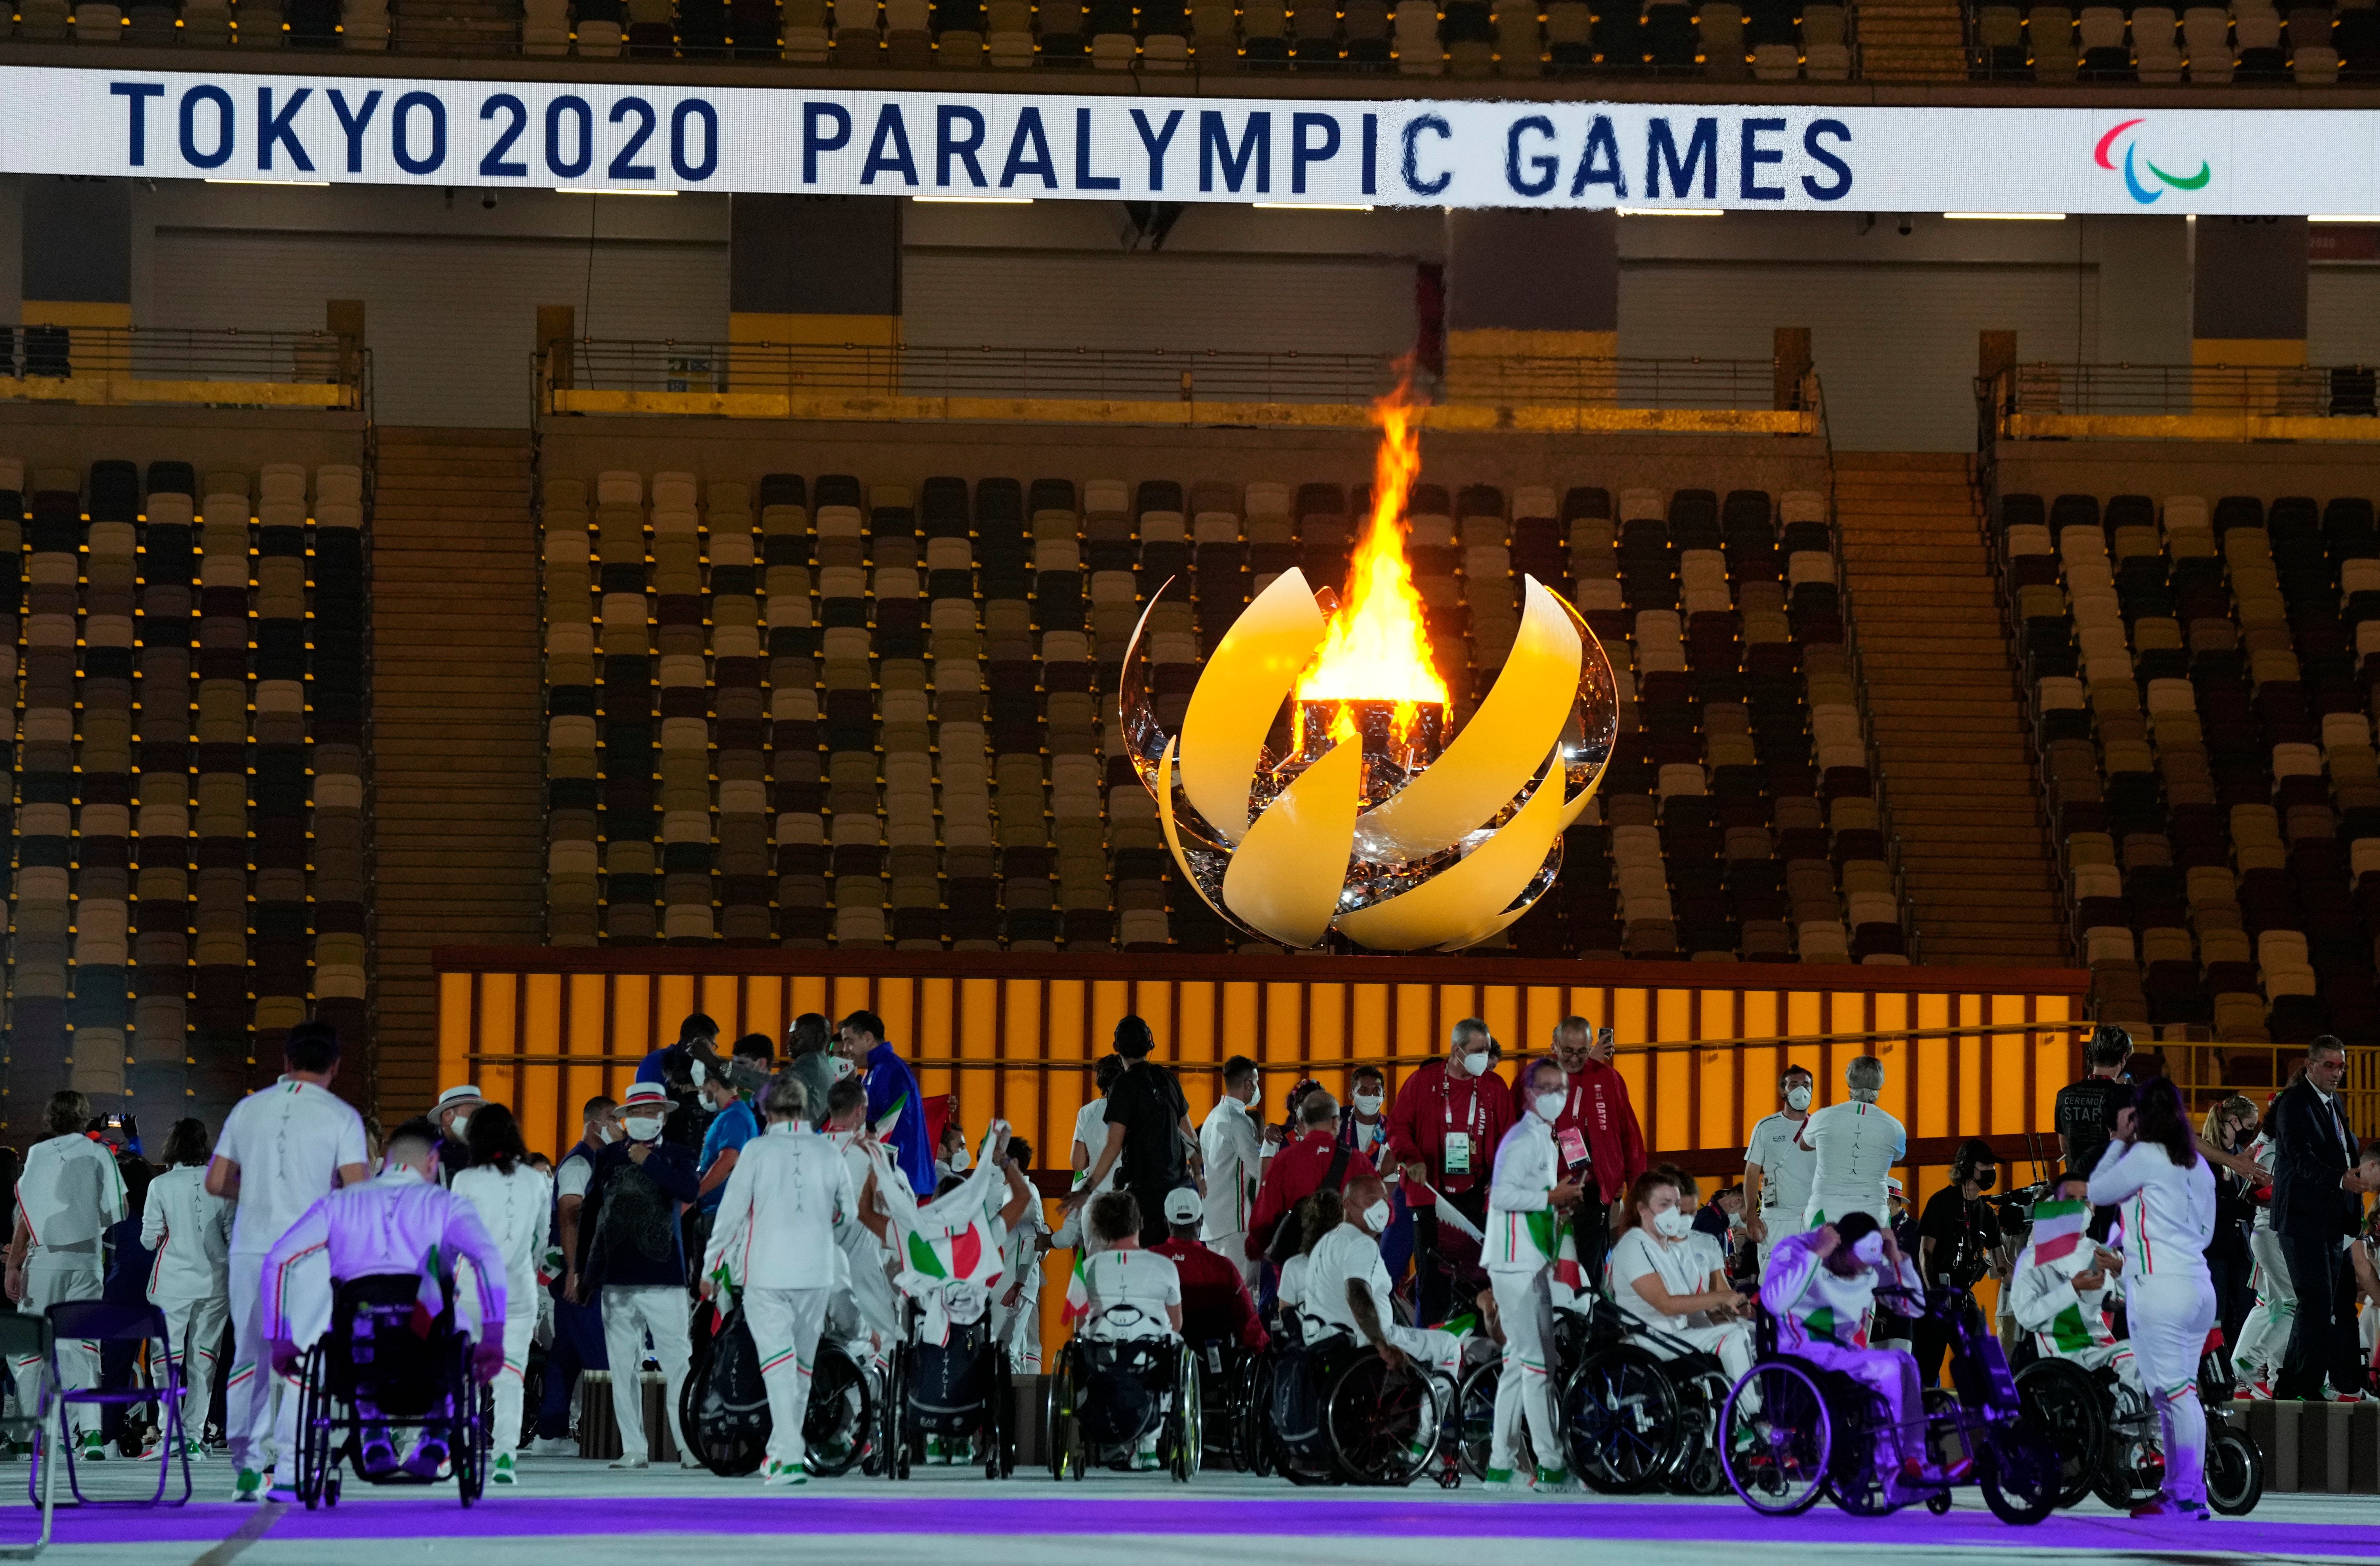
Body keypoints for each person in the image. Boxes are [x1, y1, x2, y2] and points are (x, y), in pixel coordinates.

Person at [262, 1118, 506, 1482]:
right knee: (454, 1333)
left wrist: (280, 1338)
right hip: (428, 1339)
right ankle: (435, 1441)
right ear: (431, 1162)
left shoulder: (339, 1203)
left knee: (359, 1331)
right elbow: (488, 1262)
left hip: (359, 1338)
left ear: (387, 1161)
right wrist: (493, 1336)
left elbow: (278, 1261)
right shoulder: (447, 1204)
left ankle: (372, 1434)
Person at [207, 1021, 369, 1500]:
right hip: (308, 1252)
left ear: (285, 1061)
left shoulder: (247, 1108)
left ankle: (247, 1467)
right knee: (301, 1358)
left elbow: (216, 1182)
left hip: (252, 1247)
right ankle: (295, 1466)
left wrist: (254, 1190)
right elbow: (357, 1191)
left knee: (249, 1355)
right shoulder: (342, 1115)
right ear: (336, 1065)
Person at [698, 1071, 857, 1487]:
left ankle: (788, 1456)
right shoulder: (828, 1152)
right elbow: (849, 1213)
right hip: (817, 1271)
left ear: (766, 1110)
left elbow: (730, 1216)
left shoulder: (757, 1151)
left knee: (777, 1365)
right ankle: (781, 1452)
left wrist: (711, 1267)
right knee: (801, 1367)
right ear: (805, 1108)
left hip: (767, 1272)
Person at [2087, 1076, 2220, 1518]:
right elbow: (2206, 1232)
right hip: (2198, 1285)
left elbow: (2098, 1190)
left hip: (2159, 1287)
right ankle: (2176, 1489)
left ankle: (2188, 1493)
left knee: (2176, 1394)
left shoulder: (2144, 1154)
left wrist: (2118, 1142)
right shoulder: (2197, 1164)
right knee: (2176, 1392)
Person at [571, 1080, 701, 1470]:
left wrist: (650, 1161)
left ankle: (688, 1446)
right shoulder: (608, 1156)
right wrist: (582, 1271)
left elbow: (689, 1190)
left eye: (653, 1113)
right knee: (622, 1365)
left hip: (666, 1276)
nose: (646, 1119)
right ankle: (634, 1447)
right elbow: (593, 1214)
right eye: (639, 1113)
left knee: (678, 1362)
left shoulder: (679, 1155)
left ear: (664, 1116)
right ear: (625, 1119)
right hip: (618, 1276)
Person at [1760, 1213, 1939, 1495]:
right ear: (1842, 1248)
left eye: (1864, 1267)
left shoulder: (1868, 1263)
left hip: (1846, 1354)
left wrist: (1898, 1259)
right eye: (1855, 1266)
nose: (1860, 1273)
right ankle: (1891, 1469)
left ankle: (1914, 1460)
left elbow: (1913, 1308)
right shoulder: (1796, 1248)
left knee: (1907, 1362)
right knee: (1890, 1366)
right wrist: (1817, 1254)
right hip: (1803, 1352)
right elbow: (1775, 1301)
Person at [7, 1090, 129, 1464]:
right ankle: (90, 1435)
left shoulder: (38, 1155)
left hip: (43, 1262)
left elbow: (26, 1214)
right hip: (86, 1264)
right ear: (83, 1117)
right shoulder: (99, 1154)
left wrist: (13, 1263)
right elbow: (117, 1210)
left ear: (50, 1118)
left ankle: (27, 1439)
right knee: (85, 1347)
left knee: (31, 1349)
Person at [1484, 1058, 1587, 1492]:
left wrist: (1558, 1202)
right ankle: (1549, 1465)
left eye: (1561, 1087)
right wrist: (1552, 1194)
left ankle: (1500, 1464)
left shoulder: (1544, 1138)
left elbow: (1529, 1200)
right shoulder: (1523, 1138)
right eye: (1546, 1087)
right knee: (1536, 1365)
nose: (1555, 1095)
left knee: (1516, 1364)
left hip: (1525, 1259)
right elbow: (1503, 1193)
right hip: (1516, 1263)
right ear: (1528, 1093)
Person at [1301, 1173, 1466, 1422]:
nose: (1380, 1207)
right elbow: (1357, 1293)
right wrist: (1382, 1345)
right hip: (1363, 1341)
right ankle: (1422, 1439)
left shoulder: (1327, 1242)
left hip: (1328, 1342)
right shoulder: (1360, 1244)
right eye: (1370, 1199)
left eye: (1383, 1199)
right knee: (1449, 1345)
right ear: (1347, 1205)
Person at [2267, 1036, 2375, 1402]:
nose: (2336, 1072)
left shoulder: (2334, 1103)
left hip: (2331, 1218)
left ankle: (2291, 1382)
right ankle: (2304, 1383)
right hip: (2301, 1218)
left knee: (2319, 1305)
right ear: (2310, 1065)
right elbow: (2300, 1158)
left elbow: (2341, 1152)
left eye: (2341, 1066)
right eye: (2329, 1065)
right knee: (2314, 1303)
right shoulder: (2293, 1103)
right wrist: (2342, 1178)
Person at [1389, 1019, 1518, 1325]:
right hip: (1431, 1196)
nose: (1485, 1057)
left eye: (1487, 1050)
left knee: (1478, 1280)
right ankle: (1432, 1356)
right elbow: (1397, 1128)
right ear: (1456, 1050)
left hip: (1479, 1198)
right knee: (1432, 1280)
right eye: (1478, 1050)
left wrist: (1502, 1174)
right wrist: (1412, 1158)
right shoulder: (1422, 1082)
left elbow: (1510, 1138)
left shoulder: (1494, 1086)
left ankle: (1476, 1352)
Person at [452, 1104, 552, 1486]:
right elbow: (542, 1238)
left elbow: (456, 1236)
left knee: (466, 1375)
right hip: (519, 1287)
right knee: (512, 1374)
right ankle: (506, 1458)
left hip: (473, 1289)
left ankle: (463, 1452)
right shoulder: (535, 1180)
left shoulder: (465, 1180)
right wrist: (525, 1264)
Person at [1070, 1190, 1183, 1472]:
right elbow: (1177, 1323)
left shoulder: (1087, 1267)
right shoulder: (1164, 1266)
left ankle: (1111, 1439)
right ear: (1139, 1223)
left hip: (1103, 1358)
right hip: (1149, 1359)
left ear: (1100, 1228)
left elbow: (1077, 1326)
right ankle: (1148, 1447)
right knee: (1173, 1343)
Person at [1066, 1017, 1200, 1250]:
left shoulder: (1123, 1086)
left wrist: (1087, 1189)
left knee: (1144, 1262)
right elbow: (1190, 1137)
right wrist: (1198, 1174)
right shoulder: (1167, 1078)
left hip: (1144, 1195)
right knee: (1176, 1261)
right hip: (1177, 1191)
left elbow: (1114, 1145)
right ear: (1151, 1044)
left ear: (1116, 1047)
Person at [1605, 1168, 1756, 1375]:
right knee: (1733, 1338)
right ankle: (1750, 1408)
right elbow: (1667, 1305)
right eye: (1665, 1206)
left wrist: (1733, 1306)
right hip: (1649, 1342)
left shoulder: (1668, 1249)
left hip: (1677, 1336)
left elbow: (1697, 1297)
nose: (1675, 1215)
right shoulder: (1634, 1246)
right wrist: (1721, 1298)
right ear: (1642, 1209)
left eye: (1676, 1206)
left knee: (1749, 1333)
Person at [143, 1117, 232, 1465]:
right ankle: (193, 1438)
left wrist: (168, 1233)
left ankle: (171, 1434)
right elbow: (231, 1235)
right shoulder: (221, 1184)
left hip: (171, 1285)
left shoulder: (161, 1185)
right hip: (215, 1283)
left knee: (166, 1360)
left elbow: (149, 1240)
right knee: (203, 1362)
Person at [1536, 1018, 1644, 1300]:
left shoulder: (1607, 1078)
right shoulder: (1535, 1079)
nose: (1574, 1059)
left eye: (1582, 1052)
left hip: (1594, 1189)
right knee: (1544, 1270)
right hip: (1546, 1191)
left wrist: (1639, 1188)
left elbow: (1629, 1134)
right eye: (1567, 1051)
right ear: (1554, 1044)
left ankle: (1591, 1331)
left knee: (1590, 1270)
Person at [532, 1094, 615, 1453]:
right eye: (615, 1120)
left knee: (566, 1355)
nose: (620, 1128)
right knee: (600, 1356)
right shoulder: (580, 1165)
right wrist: (576, 1272)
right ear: (597, 1124)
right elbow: (570, 1214)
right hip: (579, 1274)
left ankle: (550, 1433)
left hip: (577, 1272)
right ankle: (613, 1436)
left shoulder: (597, 1161)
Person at [2007, 1169, 2136, 1395]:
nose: (2079, 1206)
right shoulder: (2034, 1257)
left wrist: (2120, 1271)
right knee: (2130, 1357)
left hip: (2100, 1346)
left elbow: (2125, 1299)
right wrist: (2073, 1289)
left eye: (2085, 1199)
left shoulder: (2100, 1252)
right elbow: (2027, 1316)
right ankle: (2128, 1427)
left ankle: (2153, 1426)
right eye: (2070, 1199)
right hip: (2063, 1351)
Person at [1912, 1139, 2004, 1389]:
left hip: (1964, 1295)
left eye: (1992, 1166)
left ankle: (1981, 1420)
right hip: (1936, 1295)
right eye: (1984, 1165)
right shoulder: (1941, 1202)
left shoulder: (1987, 1213)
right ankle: (1922, 1418)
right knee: (1926, 1369)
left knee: (1981, 1362)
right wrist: (1934, 1292)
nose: (1990, 1170)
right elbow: (1925, 1253)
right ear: (1966, 1167)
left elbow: (2001, 1264)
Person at [822, 1077, 903, 1356]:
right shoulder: (869, 1154)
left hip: (813, 1266)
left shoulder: (809, 1150)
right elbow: (892, 1204)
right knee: (883, 1342)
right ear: (860, 1110)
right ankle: (866, 1399)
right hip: (860, 1265)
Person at [1246, 1090, 1377, 1263]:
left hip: (1296, 1258)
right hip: (1345, 1259)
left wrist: (1256, 1249)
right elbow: (1382, 1212)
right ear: (1335, 1122)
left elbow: (1264, 1218)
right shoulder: (1359, 1161)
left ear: (1303, 1120)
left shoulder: (1284, 1160)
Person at [1151, 1188, 1268, 1352]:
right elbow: (1247, 1321)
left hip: (1160, 1358)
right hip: (1214, 1363)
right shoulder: (1224, 1268)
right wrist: (1265, 1349)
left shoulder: (1149, 1261)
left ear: (1166, 1223)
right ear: (1201, 1221)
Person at [1797, 1055, 1905, 1230]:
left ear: (1849, 1080)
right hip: (1872, 1211)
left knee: (1822, 1257)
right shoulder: (1894, 1127)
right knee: (1868, 1257)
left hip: (1826, 1208)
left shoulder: (1823, 1117)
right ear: (1881, 1082)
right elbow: (1899, 1158)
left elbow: (1805, 1145)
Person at [839, 1010, 936, 1199]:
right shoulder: (878, 1069)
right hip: (893, 1172)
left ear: (868, 1038)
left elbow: (889, 1124)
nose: (845, 1050)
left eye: (850, 1042)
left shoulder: (888, 1069)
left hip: (897, 1173)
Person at [1197, 1056, 1269, 1290]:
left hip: (1212, 1220)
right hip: (1236, 1222)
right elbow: (1258, 1168)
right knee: (1242, 1293)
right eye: (1256, 1082)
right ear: (1248, 1083)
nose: (1257, 1089)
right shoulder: (1238, 1120)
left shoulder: (1211, 1118)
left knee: (1220, 1292)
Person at [2201, 1094, 2261, 1351]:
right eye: (2249, 1127)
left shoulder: (2239, 1153)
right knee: (2218, 1313)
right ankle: (2217, 1372)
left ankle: (2239, 1368)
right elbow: (2210, 1202)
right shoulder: (2206, 1154)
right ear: (2234, 1121)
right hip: (2214, 1244)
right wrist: (2244, 1208)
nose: (2250, 1133)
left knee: (2245, 1311)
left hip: (2241, 1246)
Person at [1745, 1064, 1818, 1273]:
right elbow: (1752, 1172)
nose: (1801, 1090)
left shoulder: (1821, 1127)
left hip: (1814, 1218)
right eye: (1794, 1085)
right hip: (1777, 1219)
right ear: (1782, 1091)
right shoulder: (1766, 1127)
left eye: (1806, 1085)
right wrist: (1751, 1214)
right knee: (1776, 1283)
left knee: (1814, 1285)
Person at [991, 1136, 1049, 1374]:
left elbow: (1032, 1241)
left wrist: (1018, 1284)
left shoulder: (1024, 1195)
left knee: (1008, 1352)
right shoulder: (1011, 1192)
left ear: (1013, 1161)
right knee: (1015, 1350)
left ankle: (1009, 1410)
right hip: (1011, 1281)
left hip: (1014, 1283)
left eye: (999, 1159)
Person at [2055, 1024, 2134, 1180]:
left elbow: (2065, 1147)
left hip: (2078, 1187)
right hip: (2115, 1187)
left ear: (2092, 1056)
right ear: (2123, 1058)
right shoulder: (2129, 1096)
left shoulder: (2065, 1095)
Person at [694, 1048, 764, 1216]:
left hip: (721, 1212)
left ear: (713, 1085)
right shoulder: (732, 1113)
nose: (702, 1094)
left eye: (702, 1088)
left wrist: (692, 1196)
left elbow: (728, 1162)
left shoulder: (734, 1116)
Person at [783, 1013, 840, 1130]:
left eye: (797, 1036)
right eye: (790, 1036)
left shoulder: (810, 1062)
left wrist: (737, 1072)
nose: (789, 1042)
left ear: (818, 1038)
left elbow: (777, 1087)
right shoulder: (822, 1063)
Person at [429, 1084, 483, 1186]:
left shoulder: (486, 1153)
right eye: (472, 1115)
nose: (477, 1122)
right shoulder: (430, 1154)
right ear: (448, 1116)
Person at [1341, 1065, 1393, 1165]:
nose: (1371, 1096)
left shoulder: (1391, 1130)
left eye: (1376, 1091)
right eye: (1364, 1091)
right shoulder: (1337, 1121)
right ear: (1351, 1094)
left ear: (1384, 1095)